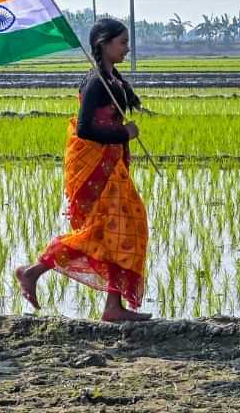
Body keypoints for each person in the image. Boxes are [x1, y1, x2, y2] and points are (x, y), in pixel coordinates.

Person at [15, 18, 151, 322]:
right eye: (122, 43)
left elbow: (119, 108)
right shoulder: (95, 83)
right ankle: (34, 270)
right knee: (120, 227)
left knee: (116, 230)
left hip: (112, 164)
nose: (127, 49)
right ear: (104, 44)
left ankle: (111, 306)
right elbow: (87, 129)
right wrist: (123, 134)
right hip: (97, 168)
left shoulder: (113, 79)